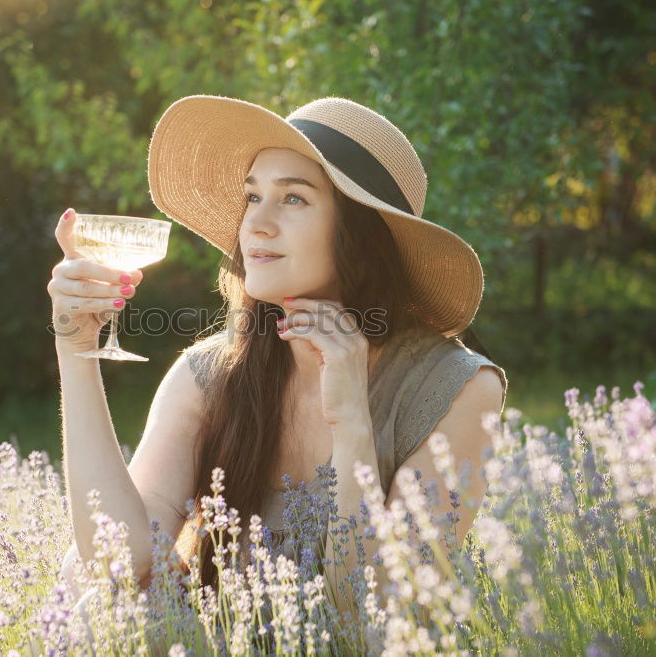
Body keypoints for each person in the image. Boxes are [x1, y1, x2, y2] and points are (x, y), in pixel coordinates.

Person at [47, 95, 508, 633]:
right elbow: (121, 563)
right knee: (94, 602)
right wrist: (76, 350)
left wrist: (352, 422)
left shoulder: (457, 388)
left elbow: (375, 612)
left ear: (359, 233)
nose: (255, 225)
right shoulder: (209, 374)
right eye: (252, 196)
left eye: (293, 198)